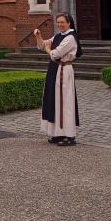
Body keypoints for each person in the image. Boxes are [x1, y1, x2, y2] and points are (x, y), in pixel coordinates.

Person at [35, 13, 82, 146]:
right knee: (55, 101)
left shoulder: (71, 38)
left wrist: (49, 49)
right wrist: (38, 36)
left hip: (63, 71)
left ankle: (69, 135)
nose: (60, 24)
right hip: (54, 70)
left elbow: (55, 54)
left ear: (69, 23)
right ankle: (58, 133)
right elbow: (42, 46)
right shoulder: (58, 36)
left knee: (65, 102)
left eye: (62, 22)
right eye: (58, 22)